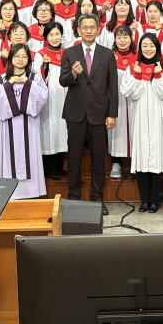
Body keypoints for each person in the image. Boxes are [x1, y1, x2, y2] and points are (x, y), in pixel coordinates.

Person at [60, 13, 119, 215]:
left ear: (98, 30)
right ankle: (73, 199)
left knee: (98, 158)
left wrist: (112, 114)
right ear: (78, 30)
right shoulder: (69, 52)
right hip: (75, 112)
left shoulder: (107, 54)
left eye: (92, 27)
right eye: (84, 27)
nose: (88, 31)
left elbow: (113, 86)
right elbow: (63, 81)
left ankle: (97, 199)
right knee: (74, 158)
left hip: (99, 113)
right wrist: (73, 74)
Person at [121, 33, 163, 213]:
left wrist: (157, 75)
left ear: (157, 48)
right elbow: (129, 93)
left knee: (158, 158)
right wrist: (137, 76)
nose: (148, 49)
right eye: (144, 46)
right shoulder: (132, 67)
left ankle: (156, 200)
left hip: (159, 118)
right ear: (140, 48)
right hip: (139, 119)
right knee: (142, 158)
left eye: (151, 45)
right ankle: (144, 199)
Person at [0, 43, 49, 199]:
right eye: (17, 56)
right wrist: (8, 85)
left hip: (28, 125)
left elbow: (43, 99)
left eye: (24, 56)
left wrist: (28, 84)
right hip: (8, 126)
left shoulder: (35, 78)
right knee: (10, 157)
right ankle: (10, 193)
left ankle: (32, 192)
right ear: (11, 58)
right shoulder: (2, 79)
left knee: (30, 156)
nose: (20, 59)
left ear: (29, 59)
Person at [38, 22, 68, 180]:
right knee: (50, 130)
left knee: (62, 130)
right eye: (51, 35)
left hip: (65, 97)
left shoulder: (67, 53)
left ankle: (58, 165)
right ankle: (49, 167)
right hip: (49, 98)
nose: (55, 38)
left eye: (57, 34)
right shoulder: (41, 54)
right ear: (45, 37)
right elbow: (38, 78)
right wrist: (45, 65)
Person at [107, 25, 137, 179]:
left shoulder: (138, 57)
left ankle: (137, 163)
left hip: (135, 101)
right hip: (116, 100)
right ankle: (116, 162)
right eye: (119, 37)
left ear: (131, 39)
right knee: (116, 131)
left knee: (136, 130)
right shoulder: (109, 56)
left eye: (126, 37)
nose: (122, 40)